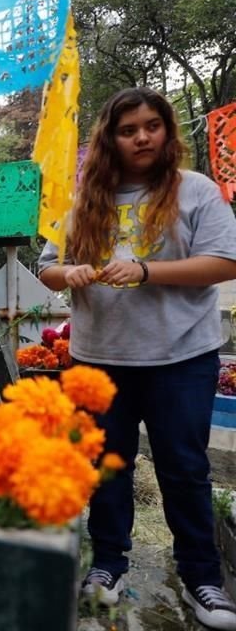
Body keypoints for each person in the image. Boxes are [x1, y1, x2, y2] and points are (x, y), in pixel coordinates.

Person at [39, 87, 236, 630]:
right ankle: (107, 565)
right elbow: (49, 265)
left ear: (168, 131)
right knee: (107, 469)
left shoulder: (194, 191)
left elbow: (224, 262)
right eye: (129, 130)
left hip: (180, 358)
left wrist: (146, 270)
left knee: (185, 469)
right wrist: (69, 274)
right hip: (98, 360)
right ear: (111, 138)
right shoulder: (86, 200)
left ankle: (202, 578)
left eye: (152, 125)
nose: (142, 137)